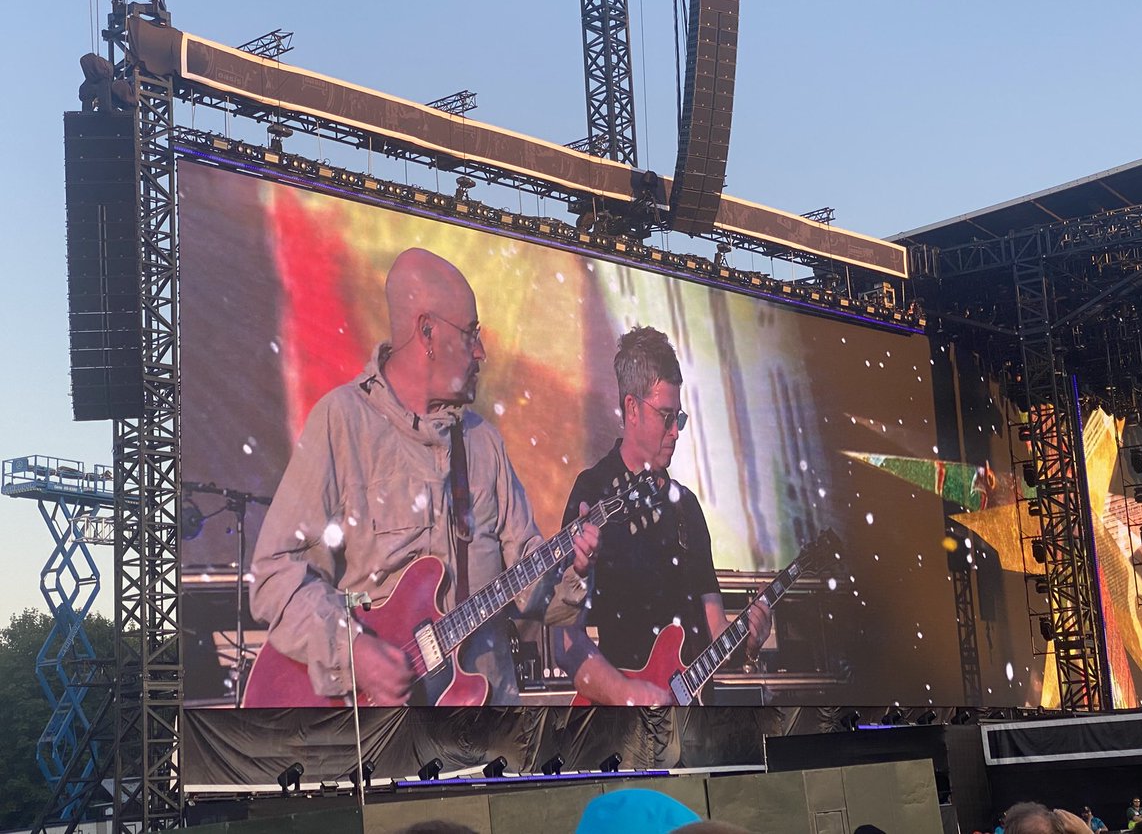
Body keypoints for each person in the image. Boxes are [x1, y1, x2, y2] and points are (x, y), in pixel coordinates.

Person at [249, 248, 598, 705]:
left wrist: (572, 568)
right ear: (427, 332)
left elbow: (536, 600)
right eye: (471, 334)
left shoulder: (483, 444)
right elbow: (275, 575)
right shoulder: (342, 423)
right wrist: (353, 650)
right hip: (385, 742)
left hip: (486, 733)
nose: (481, 351)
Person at [556, 326, 769, 705]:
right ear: (632, 408)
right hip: (624, 719)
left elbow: (714, 626)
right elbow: (566, 636)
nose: (675, 432)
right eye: (666, 417)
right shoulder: (593, 493)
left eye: (679, 419)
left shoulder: (685, 507)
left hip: (692, 717)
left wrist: (748, 642)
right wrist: (627, 694)